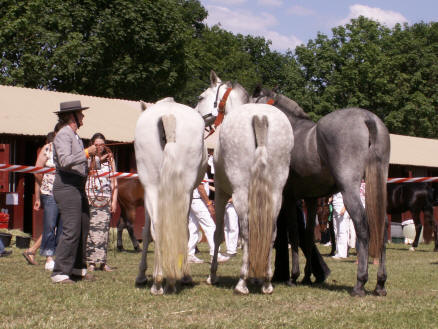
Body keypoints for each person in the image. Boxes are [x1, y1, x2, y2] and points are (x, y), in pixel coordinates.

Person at [50, 100, 97, 284]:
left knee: (83, 226)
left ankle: (77, 268)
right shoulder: (63, 135)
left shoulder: (75, 136)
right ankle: (60, 272)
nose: (83, 116)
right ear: (72, 116)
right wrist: (86, 153)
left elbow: (79, 161)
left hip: (77, 185)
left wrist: (95, 158)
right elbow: (64, 160)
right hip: (66, 185)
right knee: (71, 228)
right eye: (81, 113)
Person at [23, 127, 62, 270]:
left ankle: (32, 250)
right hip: (50, 193)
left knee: (57, 227)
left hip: (63, 194)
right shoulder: (48, 149)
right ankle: (48, 257)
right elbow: (37, 174)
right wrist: (39, 196)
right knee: (51, 226)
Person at [85, 133, 118, 272]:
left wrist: (114, 200)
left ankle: (103, 261)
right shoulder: (88, 157)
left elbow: (114, 180)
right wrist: (102, 158)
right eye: (96, 144)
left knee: (104, 230)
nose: (99, 147)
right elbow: (91, 167)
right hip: (91, 197)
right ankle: (92, 262)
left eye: (102, 144)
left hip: (105, 197)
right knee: (92, 230)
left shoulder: (110, 160)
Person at [187, 173, 229, 264]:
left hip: (193, 200)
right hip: (197, 200)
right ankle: (215, 254)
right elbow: (200, 187)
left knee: (193, 228)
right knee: (210, 226)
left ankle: (189, 254)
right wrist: (209, 203)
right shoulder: (200, 168)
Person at [331, 192, 356, 259]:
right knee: (337, 231)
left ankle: (342, 254)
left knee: (342, 231)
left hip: (342, 209)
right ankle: (339, 251)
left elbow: (349, 195)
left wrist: (345, 207)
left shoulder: (344, 184)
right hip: (336, 208)